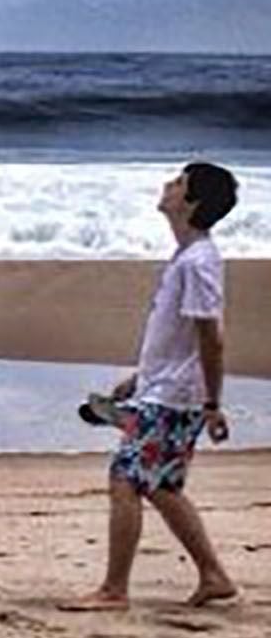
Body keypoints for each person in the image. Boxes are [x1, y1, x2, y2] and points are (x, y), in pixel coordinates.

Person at [64, 162, 239, 611]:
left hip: (174, 398)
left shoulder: (197, 262)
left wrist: (212, 403)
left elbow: (211, 337)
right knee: (162, 486)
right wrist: (140, 379)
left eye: (179, 183)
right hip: (165, 390)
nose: (168, 185)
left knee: (125, 479)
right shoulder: (189, 256)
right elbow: (179, 337)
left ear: (192, 203)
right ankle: (214, 576)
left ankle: (114, 590)